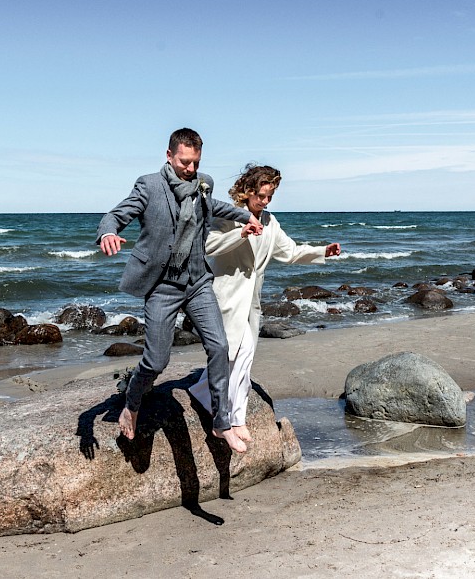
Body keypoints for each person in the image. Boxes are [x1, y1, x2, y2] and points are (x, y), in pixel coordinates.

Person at [97, 128, 263, 454]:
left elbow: (211, 206)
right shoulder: (148, 186)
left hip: (198, 282)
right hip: (162, 287)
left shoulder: (204, 183)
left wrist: (246, 216)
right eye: (184, 162)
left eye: (195, 162)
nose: (190, 168)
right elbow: (117, 214)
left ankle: (222, 421)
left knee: (220, 346)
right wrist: (108, 233)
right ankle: (132, 401)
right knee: (157, 360)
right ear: (169, 155)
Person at [188, 165, 341, 442]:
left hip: (251, 303)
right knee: (238, 352)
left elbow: (290, 252)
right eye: (261, 195)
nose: (265, 201)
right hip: (226, 297)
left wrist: (322, 252)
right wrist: (242, 233)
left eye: (270, 196)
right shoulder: (225, 217)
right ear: (247, 192)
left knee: (238, 356)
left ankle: (205, 394)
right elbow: (207, 247)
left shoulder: (271, 222)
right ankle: (234, 417)